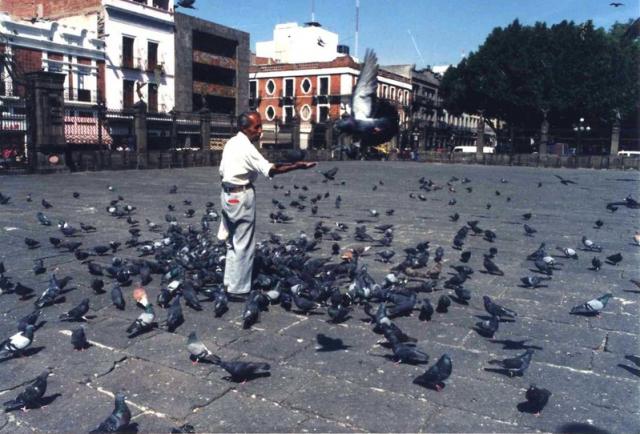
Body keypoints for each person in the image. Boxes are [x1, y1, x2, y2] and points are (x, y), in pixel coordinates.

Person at [219, 111, 316, 297]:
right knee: (244, 243)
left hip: (226, 194)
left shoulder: (231, 143)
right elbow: (271, 169)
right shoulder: (246, 147)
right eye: (257, 127)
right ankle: (239, 290)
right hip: (241, 195)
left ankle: (229, 283)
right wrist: (298, 166)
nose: (260, 131)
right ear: (245, 128)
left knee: (232, 242)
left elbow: (222, 171)